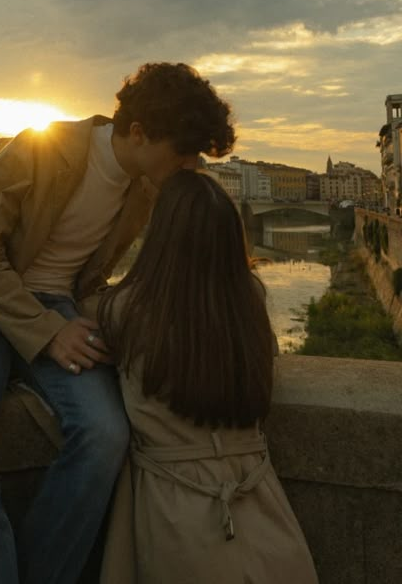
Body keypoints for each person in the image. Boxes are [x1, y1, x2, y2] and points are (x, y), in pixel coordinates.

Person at [0, 62, 235, 584]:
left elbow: (114, 277)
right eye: (184, 150)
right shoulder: (41, 148)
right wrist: (45, 331)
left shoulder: (146, 190)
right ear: (138, 132)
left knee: (107, 436)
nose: (190, 164)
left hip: (62, 308)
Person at [95, 170, 319, 584]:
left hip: (173, 514)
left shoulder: (123, 308)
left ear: (161, 235)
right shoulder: (250, 298)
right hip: (266, 514)